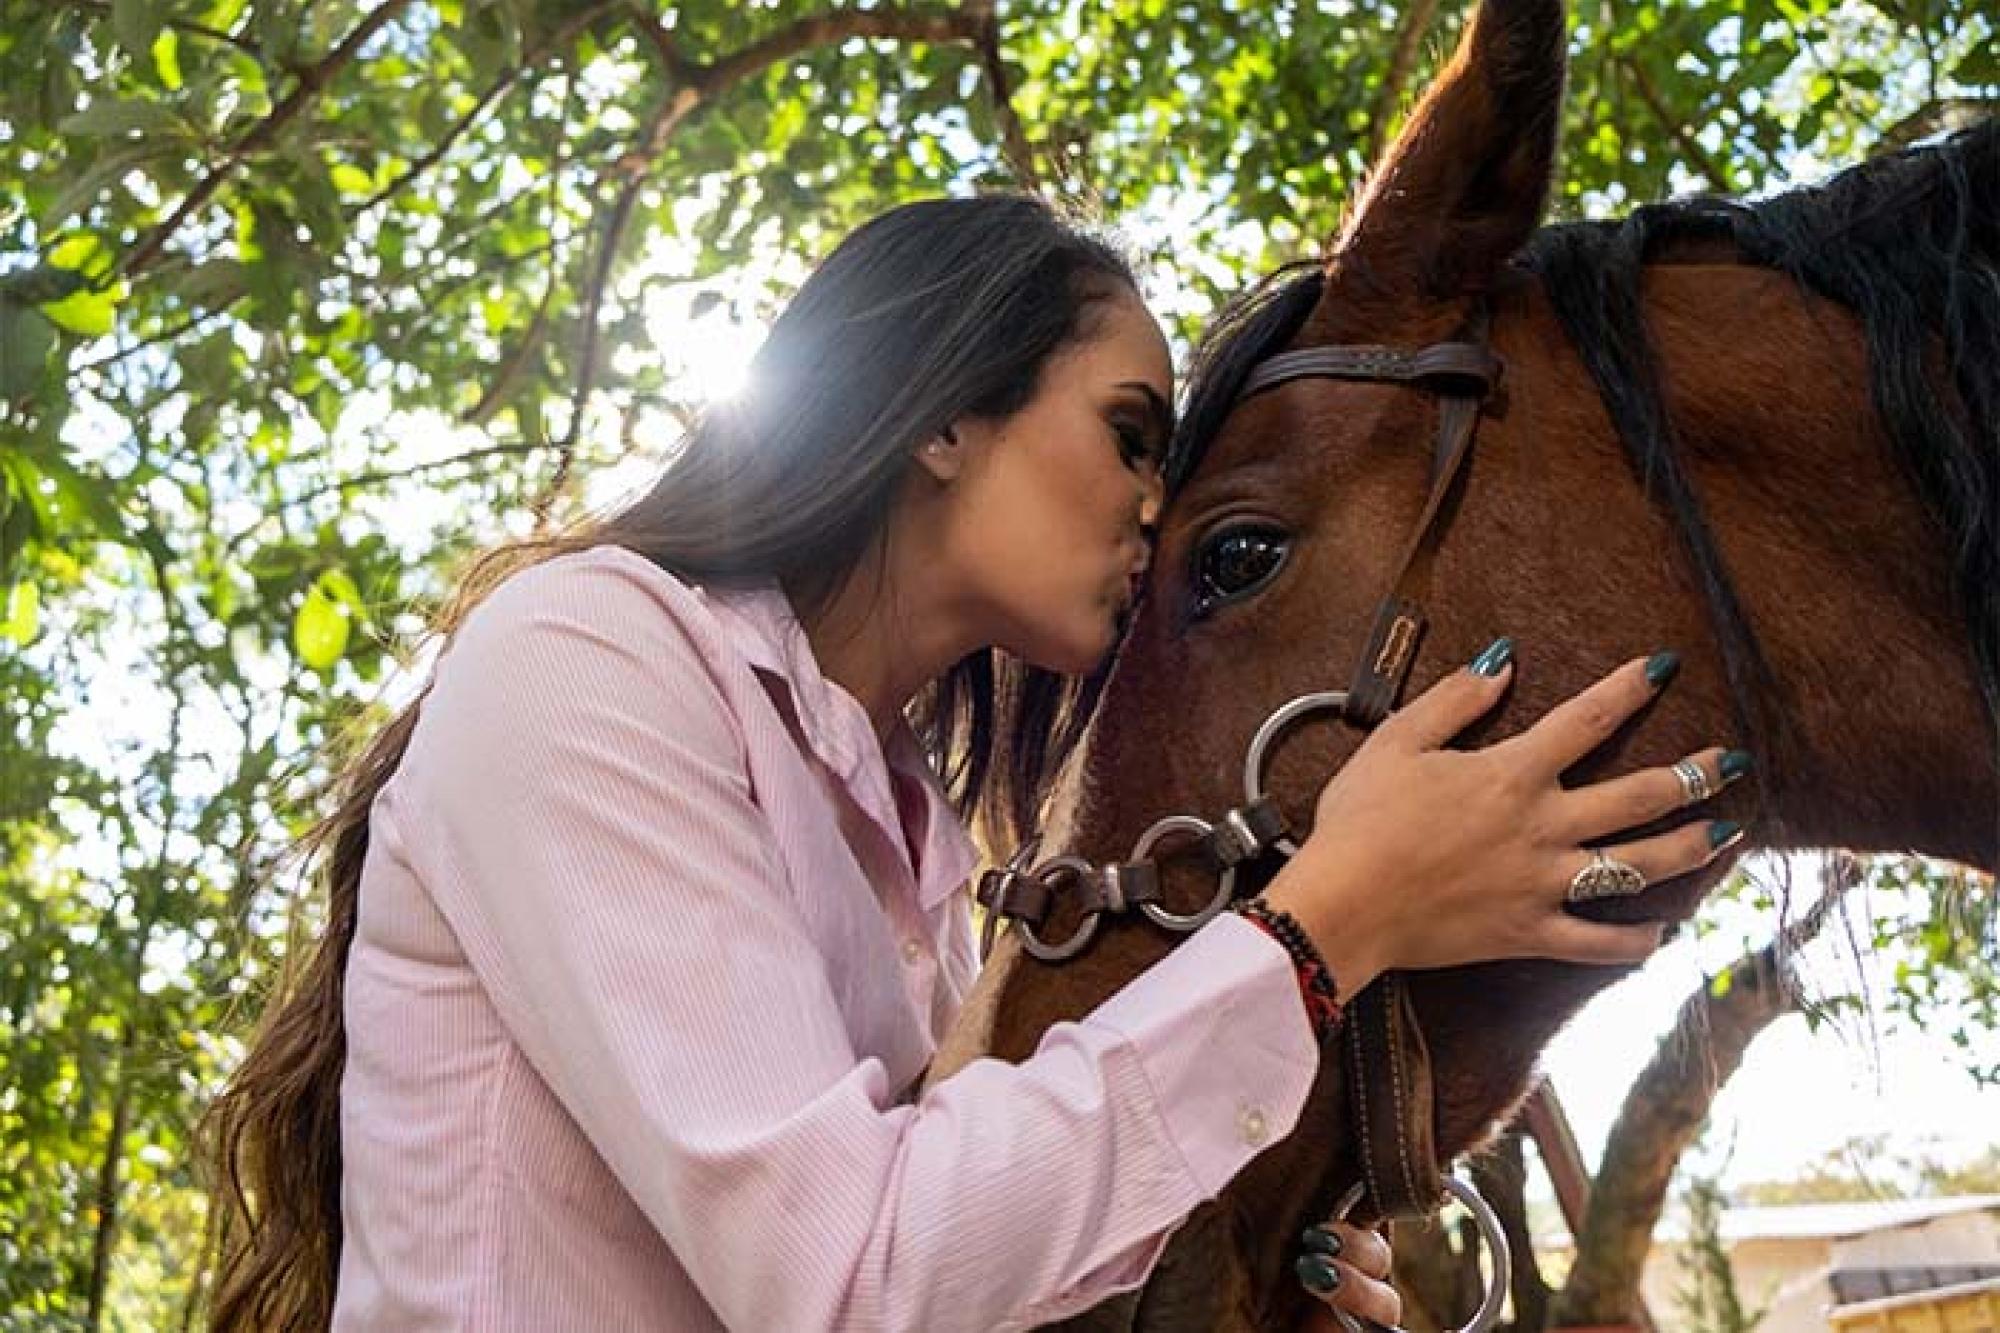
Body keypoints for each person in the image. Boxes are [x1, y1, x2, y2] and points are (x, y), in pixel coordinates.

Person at [203, 194, 1744, 1332]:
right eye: (1134, 434)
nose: (1159, 500)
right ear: (944, 415)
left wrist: (1216, 1272)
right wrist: (1327, 928)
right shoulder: (588, 655)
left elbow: (951, 1266)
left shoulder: (927, 839)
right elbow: (848, 1275)